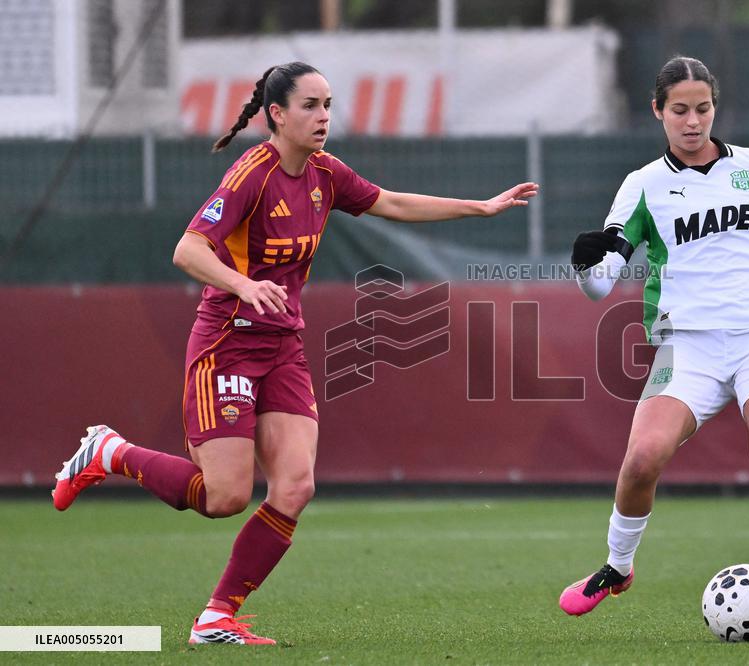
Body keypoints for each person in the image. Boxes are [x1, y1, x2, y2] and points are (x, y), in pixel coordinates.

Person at [52, 61, 538, 646]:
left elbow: (392, 203)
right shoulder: (252, 175)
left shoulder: (325, 174)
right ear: (276, 115)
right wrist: (241, 284)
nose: (324, 116)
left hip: (283, 347)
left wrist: (479, 207)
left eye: (329, 105)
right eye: (311, 105)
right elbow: (188, 248)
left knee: (295, 487)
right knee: (225, 496)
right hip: (227, 344)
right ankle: (110, 451)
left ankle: (215, 618)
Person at [558, 56, 749, 642]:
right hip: (687, 347)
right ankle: (617, 568)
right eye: (679, 110)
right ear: (658, 111)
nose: (693, 121)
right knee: (641, 460)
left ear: (714, 107)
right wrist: (584, 263)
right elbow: (601, 281)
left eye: (702, 108)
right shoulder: (642, 185)